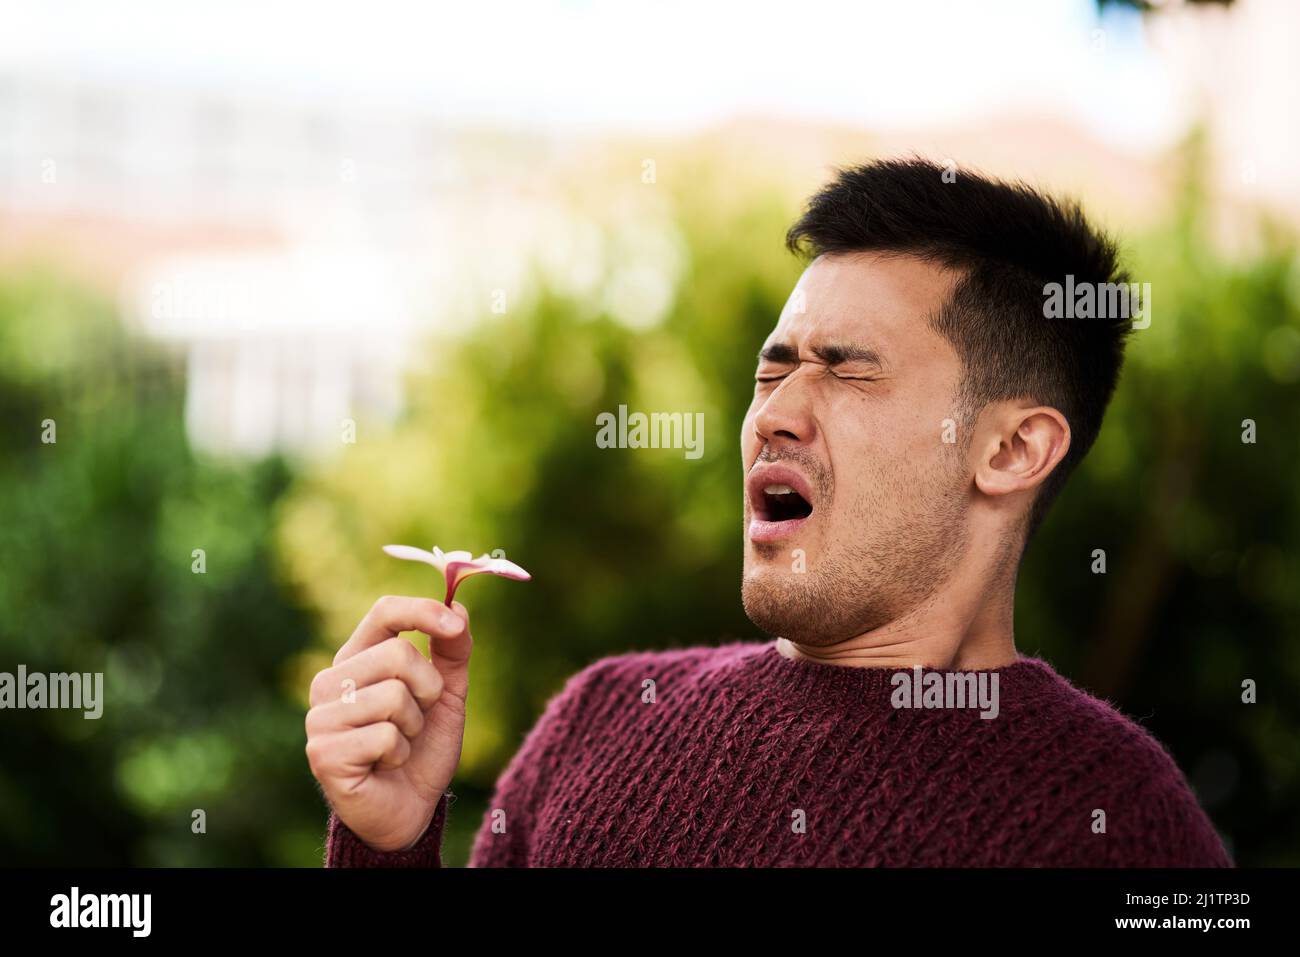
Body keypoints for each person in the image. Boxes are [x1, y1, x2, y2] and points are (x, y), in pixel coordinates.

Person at [306, 158, 1231, 867]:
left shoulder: (1115, 818)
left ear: (1010, 450)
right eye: (773, 368)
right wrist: (386, 841)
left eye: (848, 368)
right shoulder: (600, 719)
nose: (775, 413)